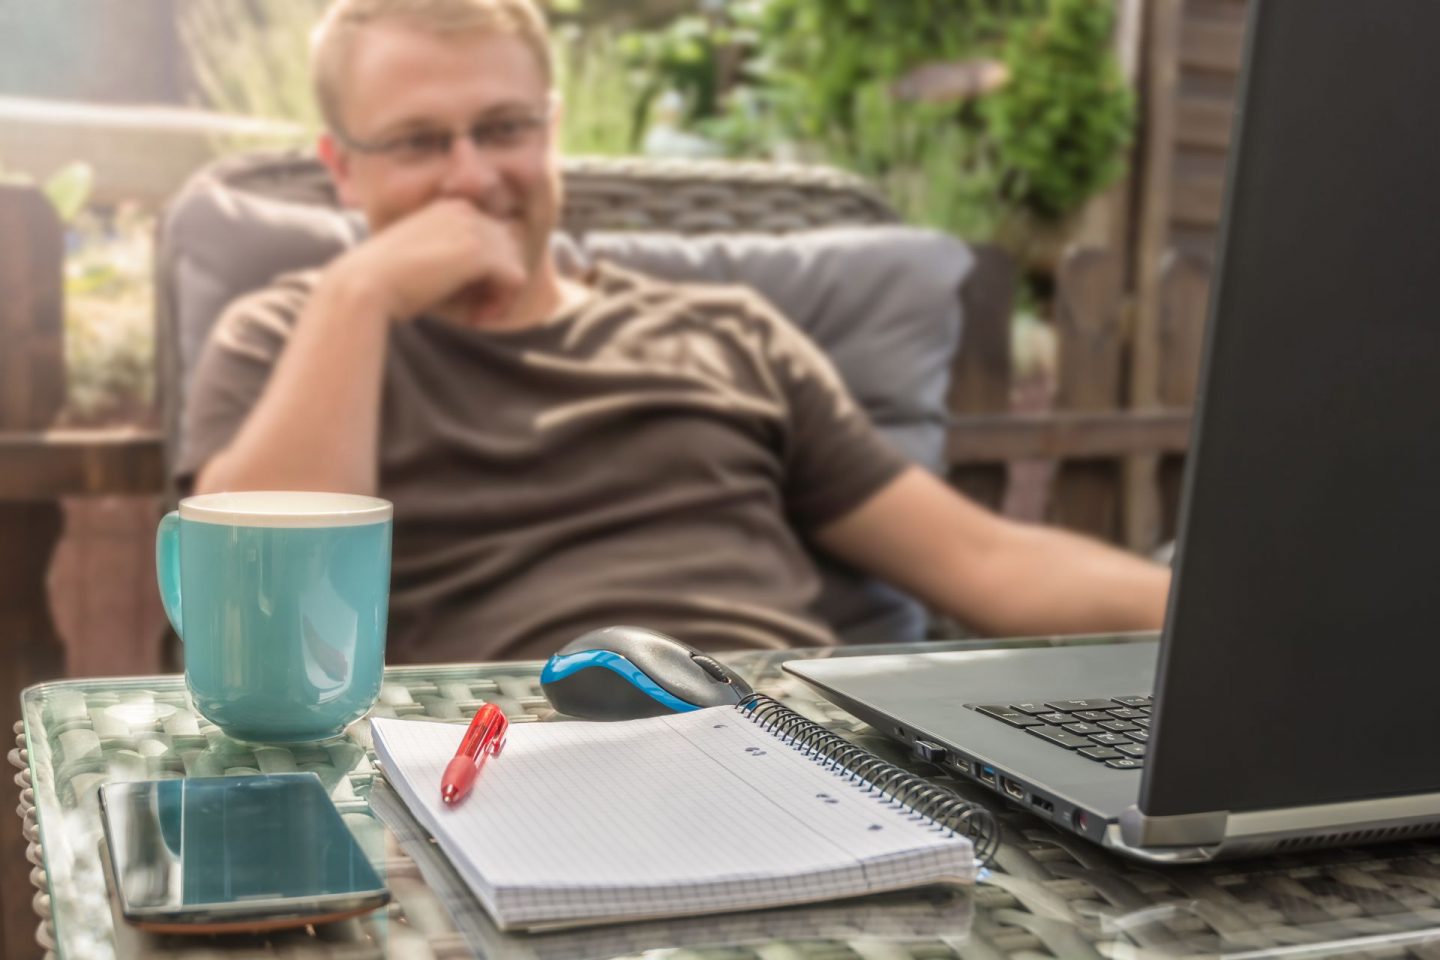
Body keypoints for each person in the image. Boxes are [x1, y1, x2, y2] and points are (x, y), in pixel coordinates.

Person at [179, 0, 1170, 663]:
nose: (473, 176)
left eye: (505, 128)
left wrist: (1222, 623)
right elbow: (253, 630)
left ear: (552, 130)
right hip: (489, 783)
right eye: (416, 143)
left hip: (779, 751)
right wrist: (356, 297)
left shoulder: (724, 333)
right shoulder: (292, 338)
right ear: (340, 170)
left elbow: (984, 562)